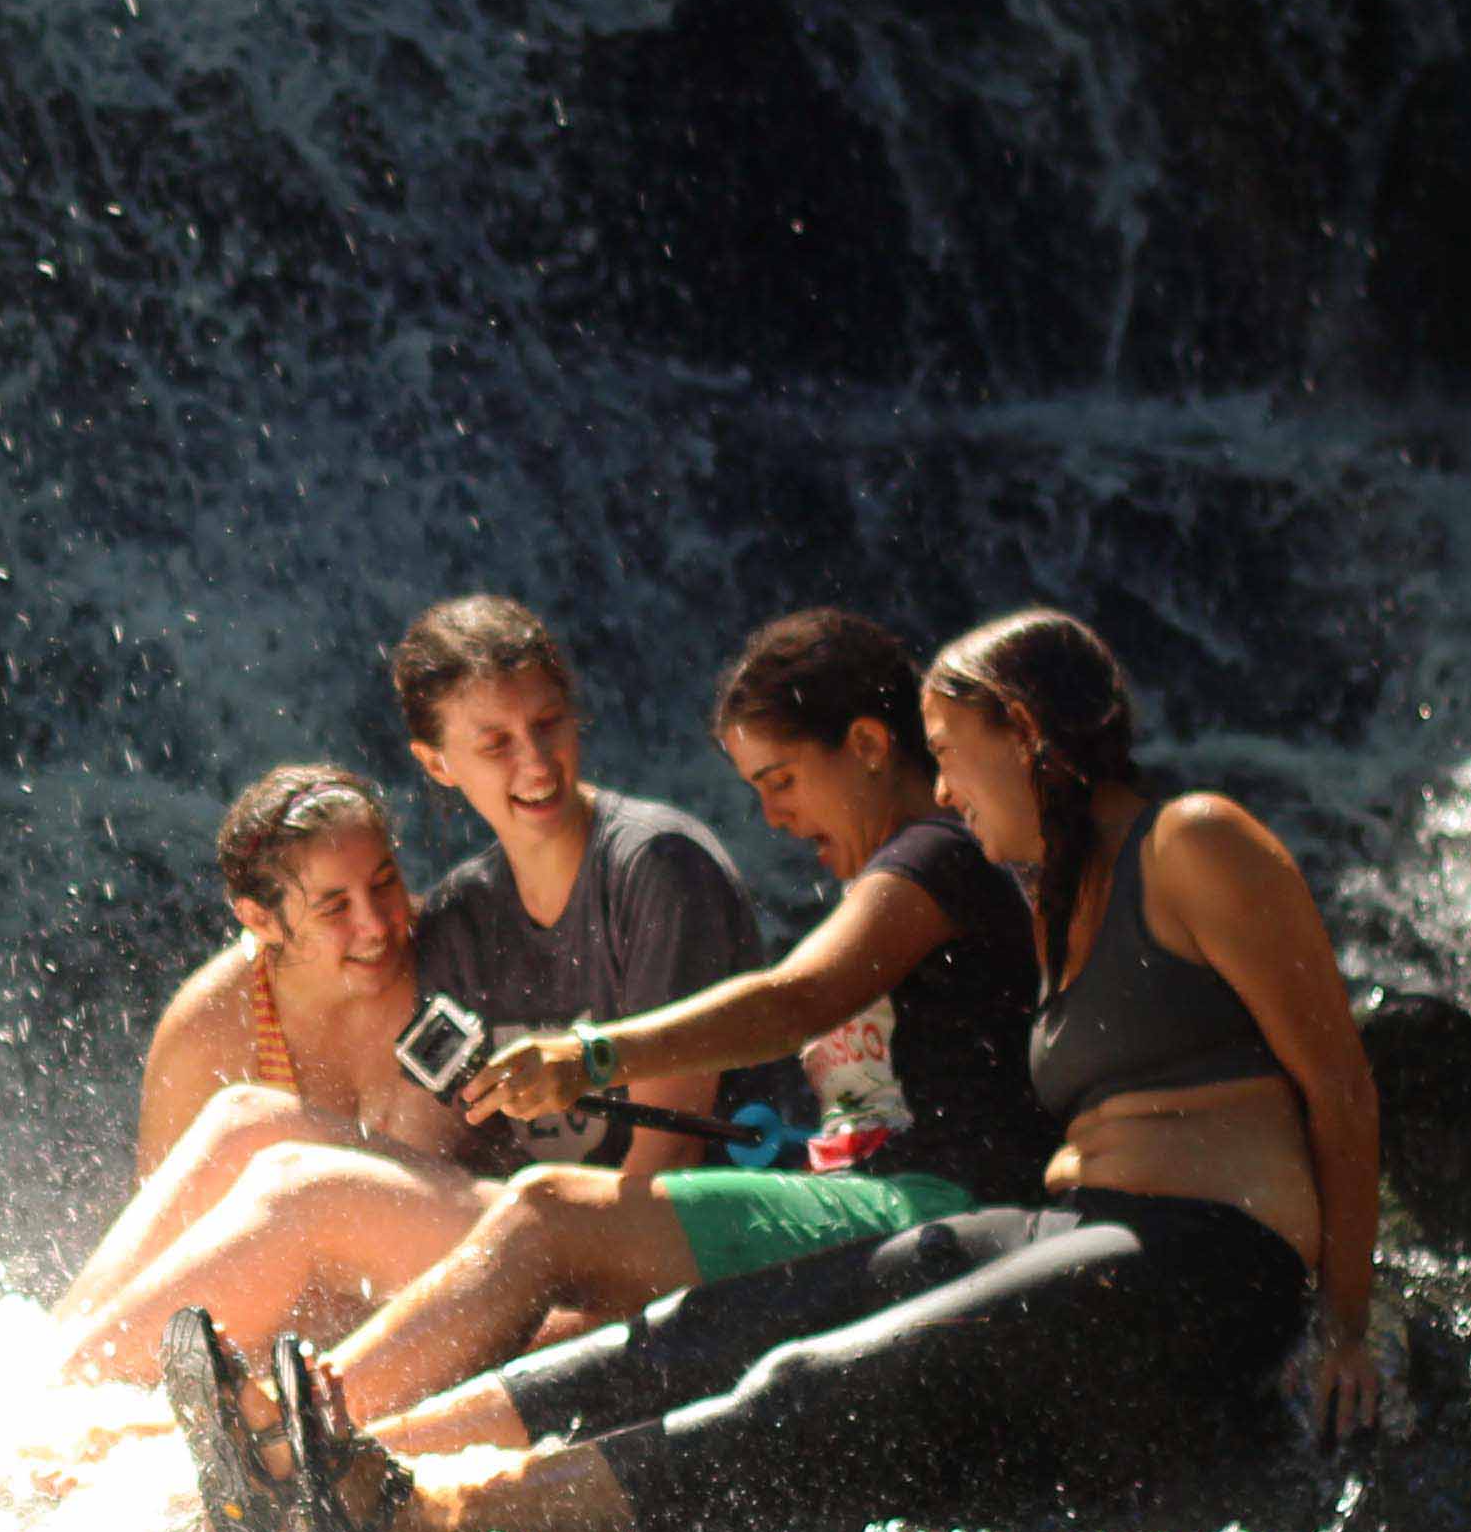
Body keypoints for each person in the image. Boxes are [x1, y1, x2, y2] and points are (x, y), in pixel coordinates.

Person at [234, 607, 1385, 1532]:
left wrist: (1346, 1322)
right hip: (1064, 1223)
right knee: (729, 1325)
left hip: (1208, 1251)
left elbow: (1338, 1080)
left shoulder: (1195, 840)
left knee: (817, 1379)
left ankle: (431, 1514)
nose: (941, 787)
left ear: (1023, 734)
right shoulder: (1058, 895)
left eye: (951, 753)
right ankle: (337, 1456)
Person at [298, 608, 1048, 1431]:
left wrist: (587, 1060)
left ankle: (310, 1423)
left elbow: (793, 1000)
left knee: (545, 1210)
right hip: (874, 1198)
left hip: (937, 1204)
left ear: (868, 746)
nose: (772, 818)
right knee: (536, 1281)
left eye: (781, 780)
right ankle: (339, 1436)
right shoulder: (897, 874)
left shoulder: (936, 855)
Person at [51, 766, 488, 1380]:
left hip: (480, 1281)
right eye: (335, 906)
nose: (377, 924)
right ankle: (56, 1379)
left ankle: (64, 1389)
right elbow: (172, 1261)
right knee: (244, 1122)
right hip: (309, 1335)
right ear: (259, 920)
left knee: (260, 1133)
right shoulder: (211, 1026)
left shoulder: (455, 957)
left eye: (385, 882)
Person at [386, 594, 783, 1172]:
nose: (538, 763)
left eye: (548, 724)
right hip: (549, 1228)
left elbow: (670, 1157)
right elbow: (421, 1154)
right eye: (496, 744)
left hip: (706, 1221)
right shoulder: (459, 914)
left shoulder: (660, 867)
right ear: (437, 764)